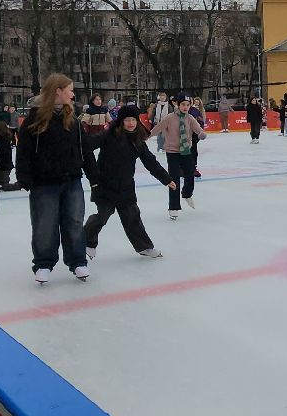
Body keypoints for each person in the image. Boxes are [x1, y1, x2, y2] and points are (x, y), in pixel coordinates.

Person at [14, 73, 98, 285]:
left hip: (72, 180)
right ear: (58, 91)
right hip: (43, 182)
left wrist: (94, 176)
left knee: (74, 222)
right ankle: (43, 263)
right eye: (69, 90)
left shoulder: (73, 119)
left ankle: (78, 261)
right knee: (44, 224)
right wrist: (24, 176)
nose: (72, 94)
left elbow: (84, 149)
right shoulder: (35, 118)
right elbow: (23, 150)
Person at [84, 104, 173, 259]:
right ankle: (87, 241)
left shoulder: (137, 140)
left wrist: (166, 179)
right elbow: (86, 146)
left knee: (132, 217)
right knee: (103, 215)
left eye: (133, 120)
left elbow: (150, 161)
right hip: (105, 185)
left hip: (125, 186)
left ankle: (144, 247)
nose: (131, 123)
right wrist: (93, 175)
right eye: (127, 120)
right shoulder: (108, 135)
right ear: (121, 121)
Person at [154, 94, 206, 219]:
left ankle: (187, 194)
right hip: (172, 152)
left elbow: (198, 129)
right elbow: (157, 128)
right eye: (183, 104)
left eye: (188, 105)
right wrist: (144, 137)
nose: (185, 107)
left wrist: (201, 134)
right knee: (174, 179)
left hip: (186, 151)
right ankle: (173, 207)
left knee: (190, 173)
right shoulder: (170, 118)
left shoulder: (190, 118)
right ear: (177, 104)